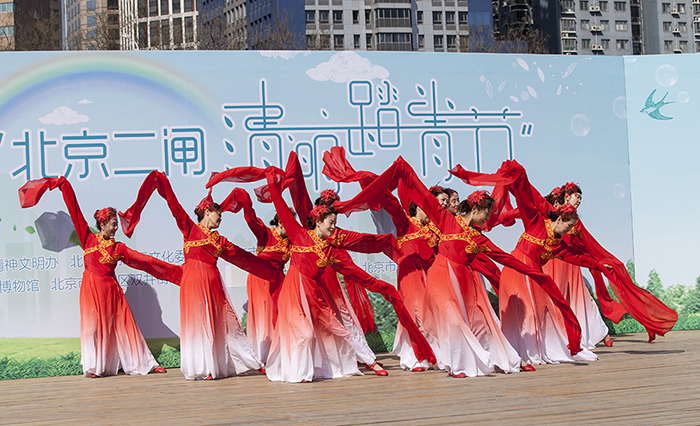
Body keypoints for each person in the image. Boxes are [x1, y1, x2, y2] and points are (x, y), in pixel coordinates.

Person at [335, 157, 578, 377]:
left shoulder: (478, 238)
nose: (487, 218)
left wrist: (538, 276)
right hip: (439, 278)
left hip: (464, 282)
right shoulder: (444, 221)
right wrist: (402, 171)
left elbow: (507, 259)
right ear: (476, 209)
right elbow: (418, 193)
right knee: (449, 320)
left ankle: (496, 358)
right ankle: (455, 364)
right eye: (486, 213)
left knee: (480, 321)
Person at [118, 171, 281, 380]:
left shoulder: (220, 241)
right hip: (193, 284)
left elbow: (245, 258)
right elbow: (174, 206)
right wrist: (163, 183)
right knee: (199, 322)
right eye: (217, 213)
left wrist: (270, 269)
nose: (220, 217)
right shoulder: (189, 229)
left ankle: (243, 362)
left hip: (213, 284)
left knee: (222, 322)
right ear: (206, 211)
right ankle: (204, 367)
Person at [452, 160, 614, 367]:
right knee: (520, 315)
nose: (567, 231)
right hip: (516, 270)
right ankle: (517, 354)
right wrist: (520, 177)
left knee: (541, 313)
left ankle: (534, 351)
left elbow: (580, 259)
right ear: (559, 220)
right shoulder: (536, 222)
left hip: (532, 275)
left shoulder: (558, 246)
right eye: (567, 227)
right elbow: (526, 197)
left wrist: (601, 266)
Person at [19, 177, 181, 378]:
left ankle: (144, 363)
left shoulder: (119, 248)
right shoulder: (87, 238)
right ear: (103, 223)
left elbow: (146, 261)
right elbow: (74, 209)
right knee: (93, 329)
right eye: (113, 224)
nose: (116, 228)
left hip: (113, 292)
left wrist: (177, 272)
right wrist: (63, 185)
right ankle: (96, 367)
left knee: (125, 326)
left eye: (116, 225)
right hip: (91, 291)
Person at [323, 146, 440, 372]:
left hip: (430, 277)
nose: (431, 211)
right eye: (427, 208)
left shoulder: (436, 227)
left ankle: (435, 355)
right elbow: (391, 203)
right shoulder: (405, 224)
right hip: (410, 277)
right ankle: (413, 358)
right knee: (414, 315)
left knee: (431, 316)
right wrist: (368, 179)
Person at [225, 188, 291, 364]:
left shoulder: (291, 242)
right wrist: (246, 204)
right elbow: (252, 220)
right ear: (279, 221)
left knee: (280, 313)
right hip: (260, 279)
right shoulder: (266, 234)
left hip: (279, 280)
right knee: (264, 315)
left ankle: (281, 351)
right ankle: (264, 356)